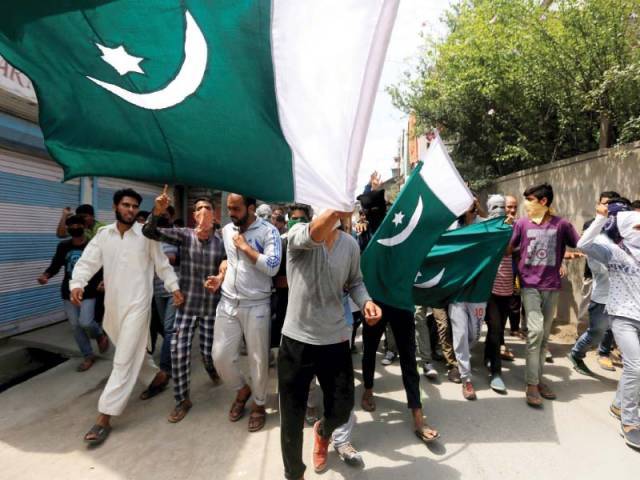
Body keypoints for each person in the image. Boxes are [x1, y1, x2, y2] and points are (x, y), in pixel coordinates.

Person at [70, 188, 183, 447]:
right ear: (115, 207)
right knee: (130, 353)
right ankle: (158, 377)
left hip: (138, 306)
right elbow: (87, 263)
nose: (131, 210)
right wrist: (77, 284)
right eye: (126, 205)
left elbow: (162, 265)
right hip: (114, 308)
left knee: (121, 361)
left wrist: (174, 287)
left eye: (134, 206)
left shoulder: (146, 236)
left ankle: (104, 417)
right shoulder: (103, 235)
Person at [278, 208, 382, 479]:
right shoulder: (298, 234)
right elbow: (313, 233)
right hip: (297, 340)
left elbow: (356, 282)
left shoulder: (349, 245)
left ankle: (323, 432)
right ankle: (294, 473)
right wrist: (335, 209)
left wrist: (367, 301)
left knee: (343, 406)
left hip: (335, 338)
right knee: (291, 415)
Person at [143, 187, 227, 422]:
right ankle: (182, 400)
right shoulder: (184, 235)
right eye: (198, 208)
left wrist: (220, 276)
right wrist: (157, 211)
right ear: (193, 215)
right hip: (187, 308)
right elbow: (150, 232)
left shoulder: (222, 241)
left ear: (214, 215)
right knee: (179, 353)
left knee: (209, 354)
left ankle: (211, 369)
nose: (202, 212)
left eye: (207, 208)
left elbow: (228, 262)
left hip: (211, 309)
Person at [209, 194, 281, 433]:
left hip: (257, 304)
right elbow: (229, 260)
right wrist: (220, 277)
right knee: (219, 355)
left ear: (251, 208)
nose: (231, 213)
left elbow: (272, 267)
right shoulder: (228, 230)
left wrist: (246, 248)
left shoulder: (268, 232)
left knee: (258, 359)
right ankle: (242, 390)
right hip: (228, 301)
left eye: (236, 209)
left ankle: (259, 404)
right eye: (229, 208)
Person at [508, 183, 579, 407]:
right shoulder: (521, 223)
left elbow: (579, 243)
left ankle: (538, 380)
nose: (526, 204)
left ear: (543, 202)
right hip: (529, 286)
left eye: (530, 200)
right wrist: (506, 233)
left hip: (552, 287)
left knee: (544, 337)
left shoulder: (562, 225)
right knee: (535, 332)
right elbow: (509, 249)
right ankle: (531, 384)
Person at [578, 205, 640, 449]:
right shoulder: (614, 252)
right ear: (625, 230)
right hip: (622, 317)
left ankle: (618, 404)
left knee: (633, 368)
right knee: (636, 366)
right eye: (637, 227)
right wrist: (600, 219)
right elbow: (583, 244)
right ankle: (630, 421)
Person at [38, 214, 109, 372]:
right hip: (68, 291)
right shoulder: (63, 246)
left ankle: (99, 335)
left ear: (84, 227)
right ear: (68, 229)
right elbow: (56, 264)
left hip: (89, 291)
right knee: (75, 326)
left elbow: (101, 266)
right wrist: (46, 275)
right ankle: (88, 356)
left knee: (86, 322)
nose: (75, 228)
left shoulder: (92, 246)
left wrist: (102, 281)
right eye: (72, 226)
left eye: (78, 225)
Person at [568, 197, 629, 376]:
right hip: (603, 298)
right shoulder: (601, 240)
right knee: (596, 333)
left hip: (627, 299)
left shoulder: (630, 240)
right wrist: (600, 219)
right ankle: (577, 353)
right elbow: (585, 248)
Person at [447, 196, 488, 400]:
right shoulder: (452, 227)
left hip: (478, 290)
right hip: (456, 290)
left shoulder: (484, 225)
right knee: (461, 334)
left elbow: (497, 233)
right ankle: (466, 378)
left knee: (474, 335)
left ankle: (461, 358)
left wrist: (478, 211)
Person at [484, 194, 516, 393]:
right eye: (495, 206)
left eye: (502, 206)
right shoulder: (485, 227)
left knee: (497, 330)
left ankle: (488, 357)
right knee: (496, 330)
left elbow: (511, 251)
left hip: (507, 287)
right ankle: (496, 372)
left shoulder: (512, 227)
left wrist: (509, 229)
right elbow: (500, 250)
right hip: (489, 289)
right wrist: (503, 230)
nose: (500, 209)